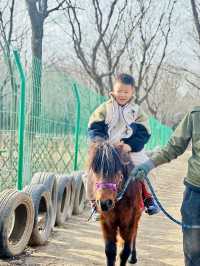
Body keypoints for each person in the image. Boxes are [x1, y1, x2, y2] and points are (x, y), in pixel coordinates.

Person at [131, 107, 200, 266]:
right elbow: (174, 146)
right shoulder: (195, 115)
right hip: (195, 194)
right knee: (193, 252)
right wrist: (148, 165)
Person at [87, 73, 160, 221]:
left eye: (126, 92)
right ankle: (94, 204)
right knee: (90, 172)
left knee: (146, 166)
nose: (122, 94)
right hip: (107, 148)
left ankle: (148, 198)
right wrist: (102, 143)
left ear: (132, 92)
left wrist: (130, 145)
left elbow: (144, 133)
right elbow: (94, 127)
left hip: (128, 148)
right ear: (113, 91)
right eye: (119, 91)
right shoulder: (104, 109)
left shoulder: (137, 111)